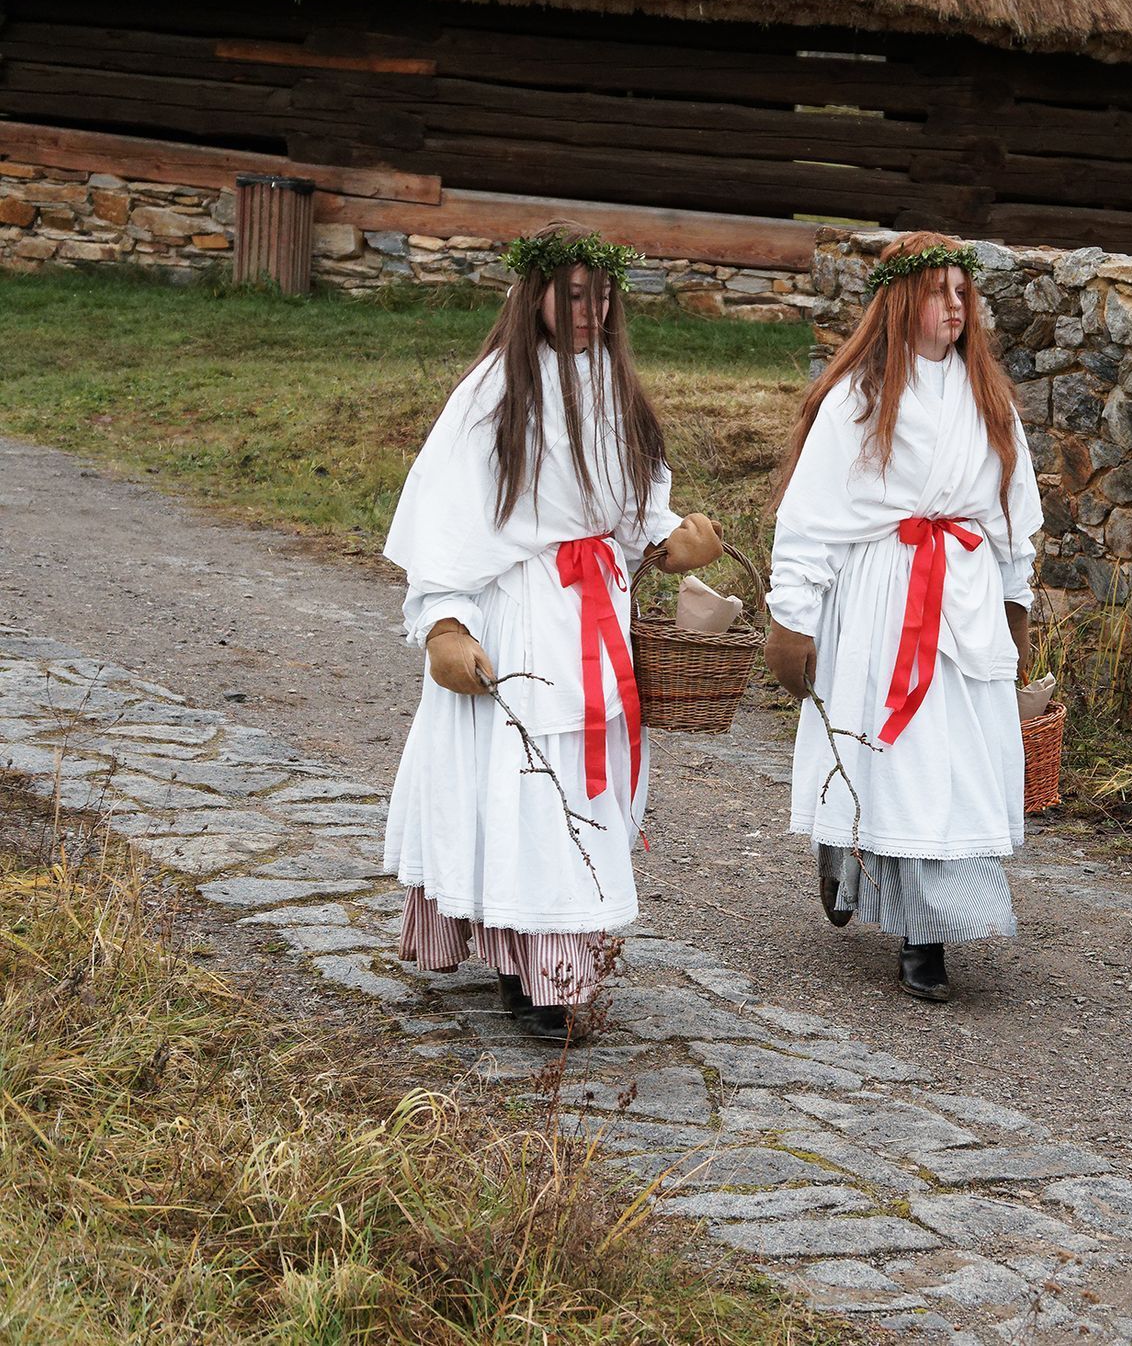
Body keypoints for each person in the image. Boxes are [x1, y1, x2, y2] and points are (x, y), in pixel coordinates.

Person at [382, 222, 722, 1039]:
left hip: (594, 610)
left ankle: (549, 956)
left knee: (581, 782)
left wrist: (668, 537)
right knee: (527, 783)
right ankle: (532, 970)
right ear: (532, 293)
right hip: (521, 610)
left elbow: (636, 497)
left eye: (601, 294)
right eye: (572, 293)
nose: (588, 308)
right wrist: (444, 621)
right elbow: (447, 511)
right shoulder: (495, 389)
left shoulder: (617, 385)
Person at [765, 232, 1042, 1003]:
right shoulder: (860, 395)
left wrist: (1014, 603)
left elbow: (1011, 517)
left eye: (963, 293)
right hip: (883, 597)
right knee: (885, 756)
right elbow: (812, 519)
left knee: (951, 768)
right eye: (938, 292)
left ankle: (930, 931)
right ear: (900, 302)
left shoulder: (986, 398)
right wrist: (793, 618)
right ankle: (850, 859)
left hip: (963, 598)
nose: (954, 308)